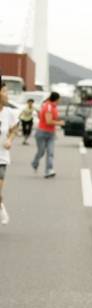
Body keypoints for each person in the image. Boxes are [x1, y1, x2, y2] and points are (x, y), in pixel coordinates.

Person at [0, 82, 20, 225]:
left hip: (1, 157)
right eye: (5, 91)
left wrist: (10, 139)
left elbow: (14, 129)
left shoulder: (9, 113)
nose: (7, 95)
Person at [31, 92, 63, 178]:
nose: (60, 100)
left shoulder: (54, 107)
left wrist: (59, 121)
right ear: (56, 98)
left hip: (51, 134)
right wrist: (60, 123)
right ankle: (35, 162)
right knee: (41, 151)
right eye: (59, 98)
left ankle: (49, 170)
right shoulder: (48, 107)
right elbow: (48, 121)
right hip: (42, 132)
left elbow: (54, 118)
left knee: (50, 152)